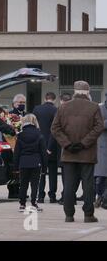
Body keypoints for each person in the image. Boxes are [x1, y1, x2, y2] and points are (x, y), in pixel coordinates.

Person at [51, 81, 104, 223]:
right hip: (87, 154)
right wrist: (84, 143)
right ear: (88, 92)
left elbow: (55, 128)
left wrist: (67, 144)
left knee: (69, 185)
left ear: (74, 91)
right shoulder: (94, 107)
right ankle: (88, 215)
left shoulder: (63, 107)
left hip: (68, 154)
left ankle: (69, 215)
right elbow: (99, 127)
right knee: (88, 185)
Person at [14, 114, 46, 212]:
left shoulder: (20, 135)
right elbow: (43, 152)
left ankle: (22, 204)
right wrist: (45, 167)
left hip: (23, 162)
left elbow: (17, 152)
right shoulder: (39, 134)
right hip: (36, 161)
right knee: (35, 184)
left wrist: (15, 166)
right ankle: (33, 203)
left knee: (23, 183)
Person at [33, 92, 58, 203]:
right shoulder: (56, 110)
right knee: (53, 173)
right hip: (53, 146)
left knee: (41, 172)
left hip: (39, 145)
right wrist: (50, 147)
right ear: (54, 99)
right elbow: (55, 130)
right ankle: (52, 196)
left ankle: (40, 196)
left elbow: (34, 127)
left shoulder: (37, 109)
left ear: (45, 98)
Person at [94, 93, 107, 209]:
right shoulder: (99, 108)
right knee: (101, 177)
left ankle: (103, 198)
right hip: (102, 146)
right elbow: (97, 125)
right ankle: (100, 196)